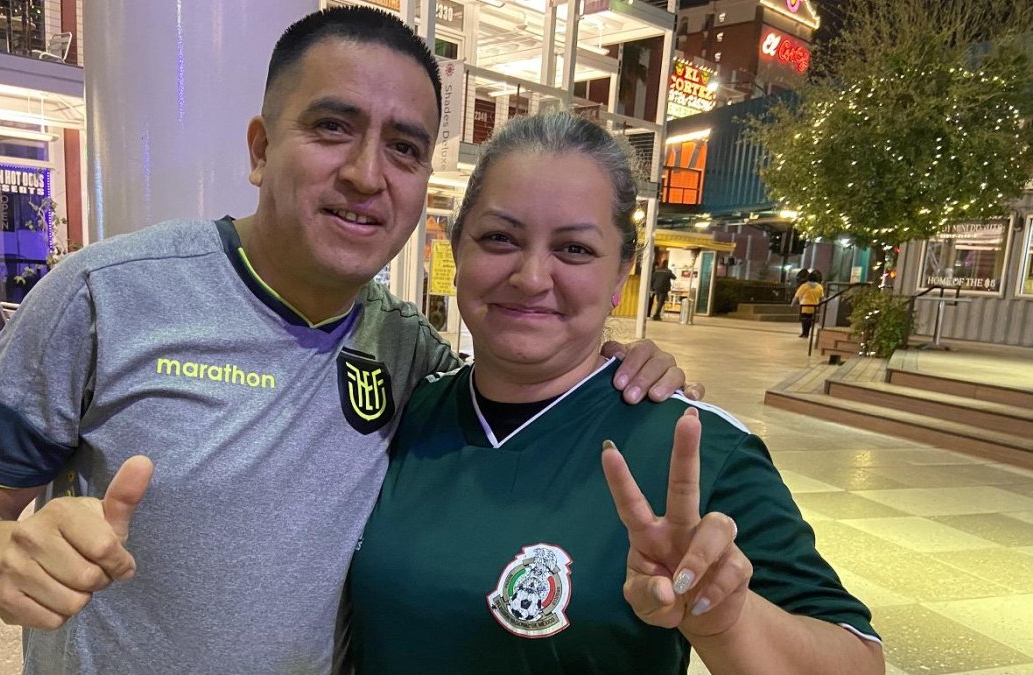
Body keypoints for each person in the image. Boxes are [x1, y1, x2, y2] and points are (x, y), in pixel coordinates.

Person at [0, 8, 694, 675]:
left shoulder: (408, 349)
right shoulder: (108, 295)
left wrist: (621, 364)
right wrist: (1, 555)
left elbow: (527, 391)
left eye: (405, 147)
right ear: (260, 148)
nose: (367, 173)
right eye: (333, 127)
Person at [349, 113, 883, 674]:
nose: (531, 276)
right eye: (499, 238)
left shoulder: (693, 446)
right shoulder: (403, 411)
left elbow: (857, 660)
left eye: (574, 249)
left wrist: (724, 617)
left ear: (622, 271)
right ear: (459, 250)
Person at [793, 269, 825, 338]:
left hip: (804, 305)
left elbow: (797, 296)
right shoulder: (819, 287)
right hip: (814, 306)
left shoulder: (804, 286)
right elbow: (821, 297)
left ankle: (804, 332)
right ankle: (807, 333)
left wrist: (792, 304)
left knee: (803, 319)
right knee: (810, 320)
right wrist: (820, 305)